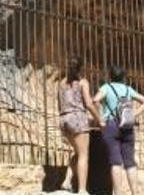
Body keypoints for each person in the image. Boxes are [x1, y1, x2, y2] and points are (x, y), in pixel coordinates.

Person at [94, 65, 144, 195]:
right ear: (123, 77)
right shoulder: (128, 89)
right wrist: (134, 114)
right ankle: (135, 192)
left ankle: (117, 193)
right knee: (130, 162)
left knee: (115, 161)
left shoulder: (106, 88)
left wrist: (100, 116)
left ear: (110, 75)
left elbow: (95, 100)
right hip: (127, 125)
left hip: (111, 125)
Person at [58, 56, 103, 194]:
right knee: (84, 154)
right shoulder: (83, 82)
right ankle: (82, 190)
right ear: (81, 68)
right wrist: (99, 119)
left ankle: (67, 181)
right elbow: (89, 104)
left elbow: (60, 104)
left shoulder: (61, 83)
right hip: (78, 118)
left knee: (77, 152)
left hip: (64, 119)